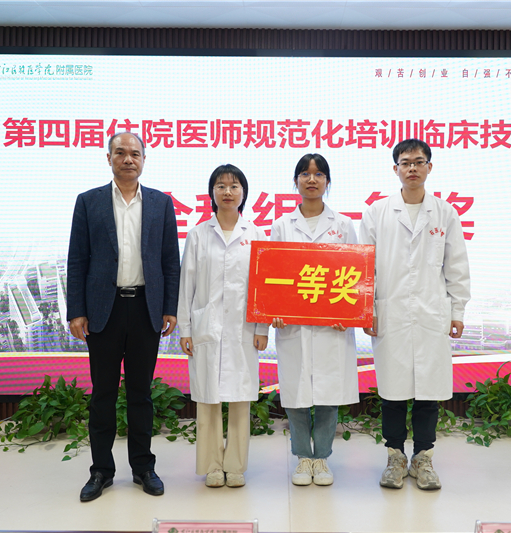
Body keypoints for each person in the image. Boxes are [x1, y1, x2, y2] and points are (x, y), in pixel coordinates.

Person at [67, 132, 180, 502]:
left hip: (146, 307)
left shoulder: (161, 203)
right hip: (104, 310)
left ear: (144, 159)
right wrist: (76, 311)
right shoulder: (89, 202)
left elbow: (170, 260)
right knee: (102, 394)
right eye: (120, 153)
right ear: (109, 158)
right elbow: (77, 259)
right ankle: (101, 471)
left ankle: (143, 467)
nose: (128, 159)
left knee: (140, 394)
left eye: (135, 153)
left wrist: (170, 307)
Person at [359, 138, 470, 491]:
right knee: (392, 392)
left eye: (418, 162)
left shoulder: (445, 213)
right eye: (405, 163)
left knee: (428, 393)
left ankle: (423, 458)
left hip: (431, 313)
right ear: (395, 169)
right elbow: (365, 267)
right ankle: (395, 457)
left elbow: (456, 264)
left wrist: (457, 309)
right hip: (389, 313)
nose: (412, 168)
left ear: (429, 167)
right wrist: (367, 309)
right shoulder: (377, 212)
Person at [270, 154, 360, 486]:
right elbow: (274, 275)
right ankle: (302, 458)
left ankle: (321, 458)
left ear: (327, 181)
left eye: (319, 174)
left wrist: (347, 313)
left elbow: (355, 274)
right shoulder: (282, 226)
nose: (312, 179)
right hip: (293, 326)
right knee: (295, 394)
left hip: (331, 326)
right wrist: (275, 311)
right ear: (295, 181)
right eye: (305, 174)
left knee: (327, 394)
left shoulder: (343, 225)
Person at [177, 164, 269, 488]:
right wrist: (185, 329)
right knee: (208, 398)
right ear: (212, 192)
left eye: (234, 186)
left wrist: (262, 328)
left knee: (240, 398)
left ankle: (236, 465)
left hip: (244, 328)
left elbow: (263, 286)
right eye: (220, 186)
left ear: (244, 192)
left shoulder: (256, 235)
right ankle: (213, 465)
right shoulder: (198, 234)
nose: (227, 192)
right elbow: (186, 286)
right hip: (207, 326)